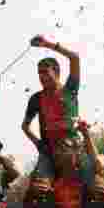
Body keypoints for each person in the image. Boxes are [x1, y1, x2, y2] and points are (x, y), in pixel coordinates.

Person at [22, 35, 84, 187]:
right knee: (37, 189)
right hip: (49, 152)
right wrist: (39, 144)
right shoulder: (36, 99)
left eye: (45, 72)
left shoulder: (70, 89)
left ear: (56, 72)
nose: (42, 77)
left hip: (73, 147)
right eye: (39, 73)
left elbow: (74, 58)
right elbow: (25, 126)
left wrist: (47, 44)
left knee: (94, 187)